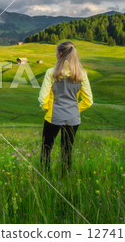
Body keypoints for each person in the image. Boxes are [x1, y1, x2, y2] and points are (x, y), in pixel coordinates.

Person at [38, 41, 93, 175]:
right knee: (67, 151)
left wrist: (48, 109)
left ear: (60, 54)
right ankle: (65, 177)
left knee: (46, 149)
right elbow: (88, 101)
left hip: (53, 117)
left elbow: (42, 99)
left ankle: (46, 176)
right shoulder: (82, 74)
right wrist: (75, 110)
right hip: (73, 119)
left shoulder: (51, 72)